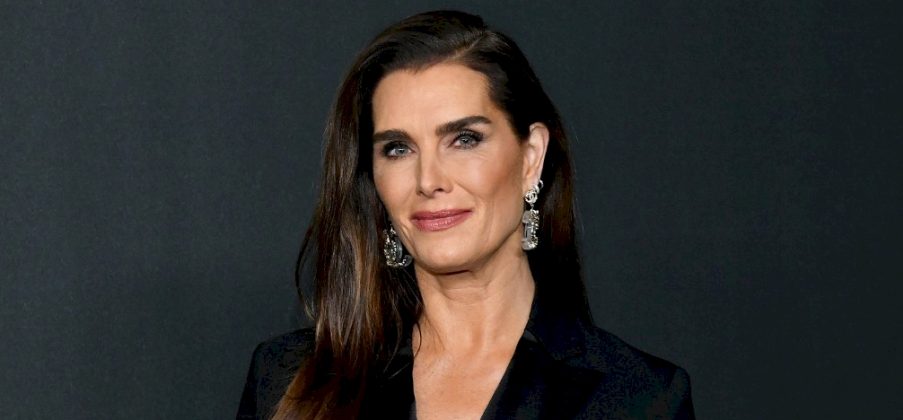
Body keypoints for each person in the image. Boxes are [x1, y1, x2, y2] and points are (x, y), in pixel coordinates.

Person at [237, 10, 694, 420]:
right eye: (398, 148)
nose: (428, 180)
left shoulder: (641, 399)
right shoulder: (286, 380)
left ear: (531, 157)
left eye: (464, 139)